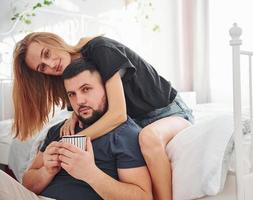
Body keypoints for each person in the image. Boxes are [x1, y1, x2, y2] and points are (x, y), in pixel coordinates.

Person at [13, 32, 194, 199]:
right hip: (137, 120)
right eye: (42, 67)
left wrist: (70, 142)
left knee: (149, 138)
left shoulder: (100, 48)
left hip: (168, 111)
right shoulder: (71, 76)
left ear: (54, 41)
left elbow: (118, 115)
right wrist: (74, 117)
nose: (52, 64)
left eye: (47, 53)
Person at [0, 59, 152, 200]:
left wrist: (90, 173)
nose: (79, 101)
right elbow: (27, 183)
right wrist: (46, 171)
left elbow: (142, 197)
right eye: (72, 94)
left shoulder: (124, 134)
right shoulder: (59, 130)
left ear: (106, 88)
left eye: (86, 89)